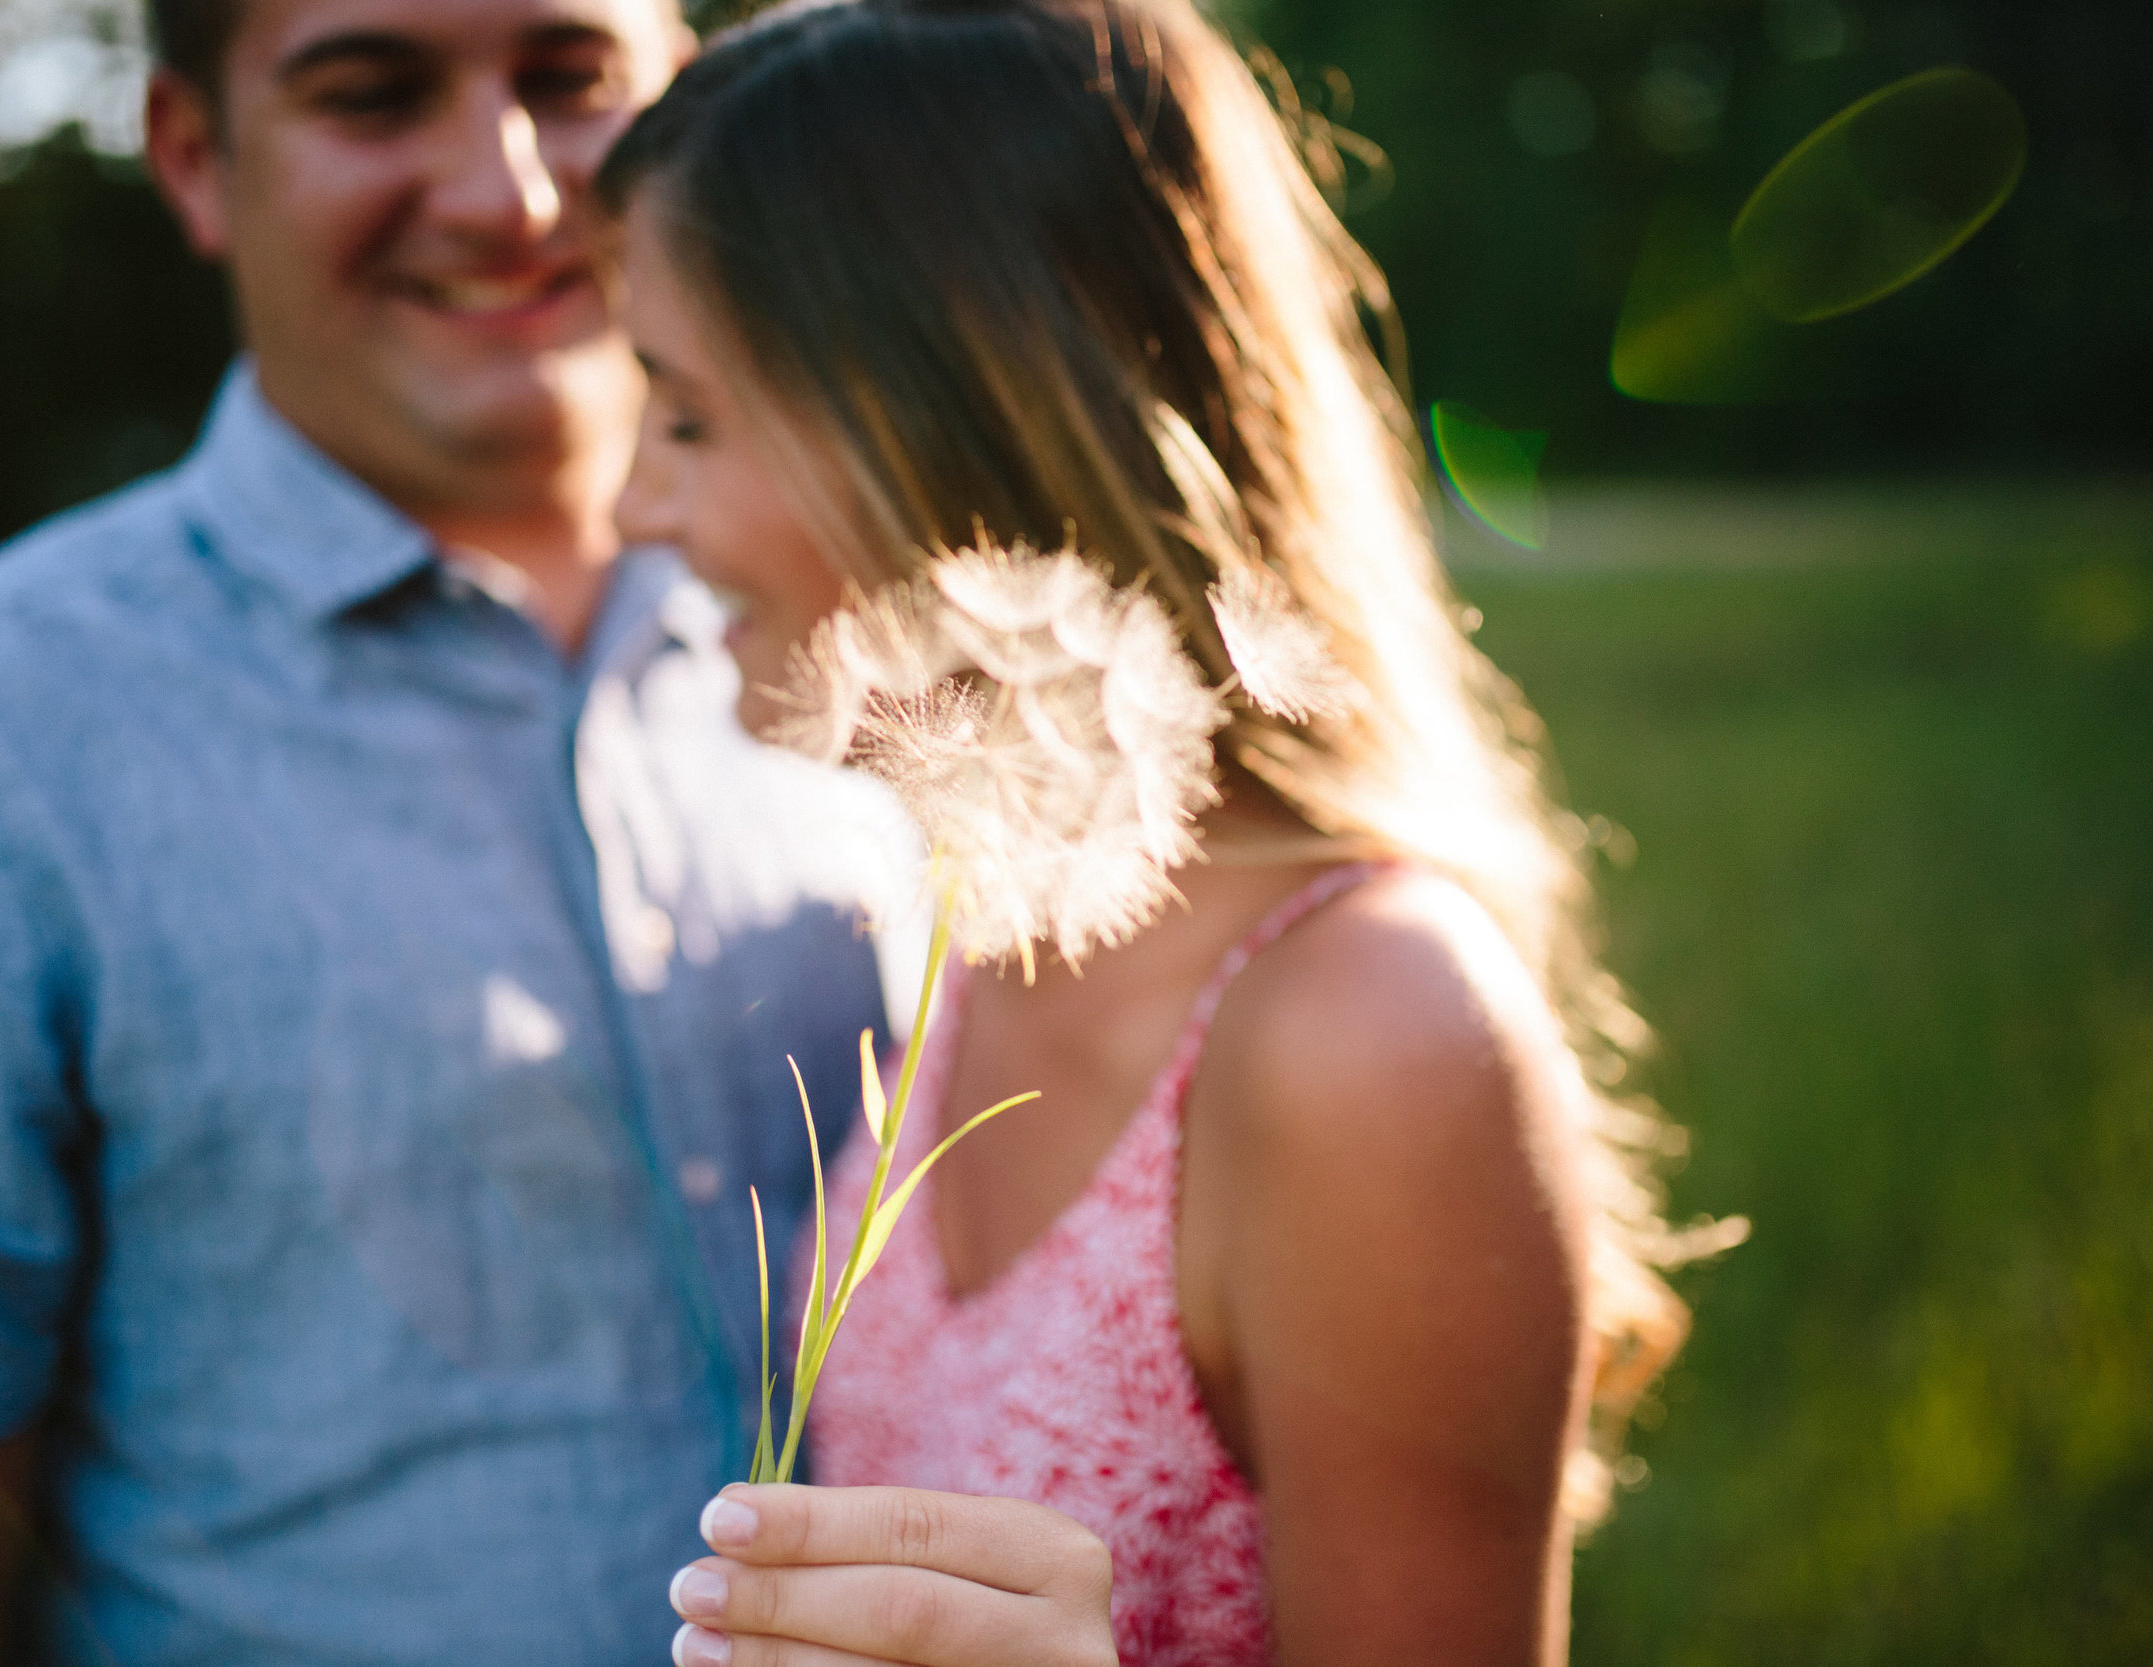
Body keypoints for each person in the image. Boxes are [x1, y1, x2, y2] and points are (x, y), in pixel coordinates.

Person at [0, 0, 989, 1660]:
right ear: (196, 158)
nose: (507, 195)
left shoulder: (937, 633)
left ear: (684, 102)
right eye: (375, 94)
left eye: (568, 82)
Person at [599, 1, 1736, 1661]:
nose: (635, 505)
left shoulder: (1370, 1044)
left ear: (949, 418)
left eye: (688, 415)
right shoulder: (976, 911)